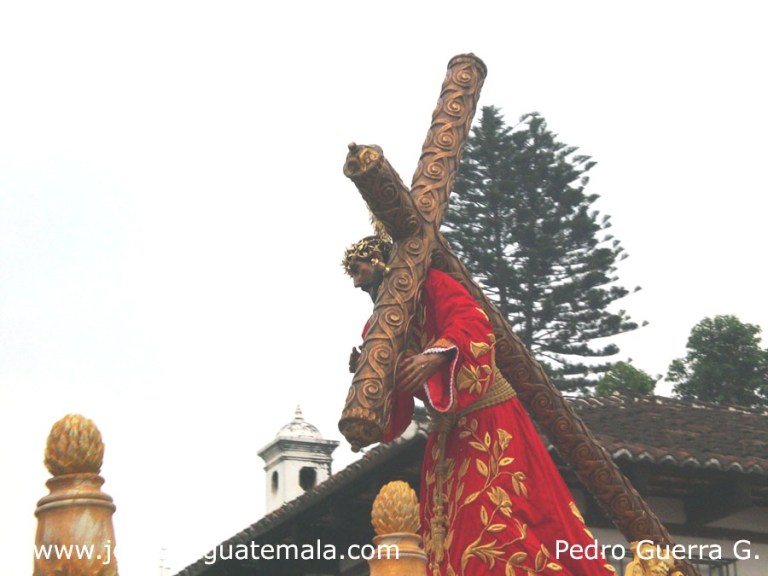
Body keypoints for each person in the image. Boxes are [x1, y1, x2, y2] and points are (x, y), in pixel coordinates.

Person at [343, 235, 616, 576]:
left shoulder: (434, 287)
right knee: (444, 529)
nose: (356, 282)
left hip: (489, 418)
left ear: (382, 261)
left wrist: (436, 355)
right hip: (445, 436)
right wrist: (371, 379)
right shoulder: (377, 329)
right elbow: (398, 405)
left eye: (359, 269)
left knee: (491, 513)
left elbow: (473, 323)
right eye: (351, 275)